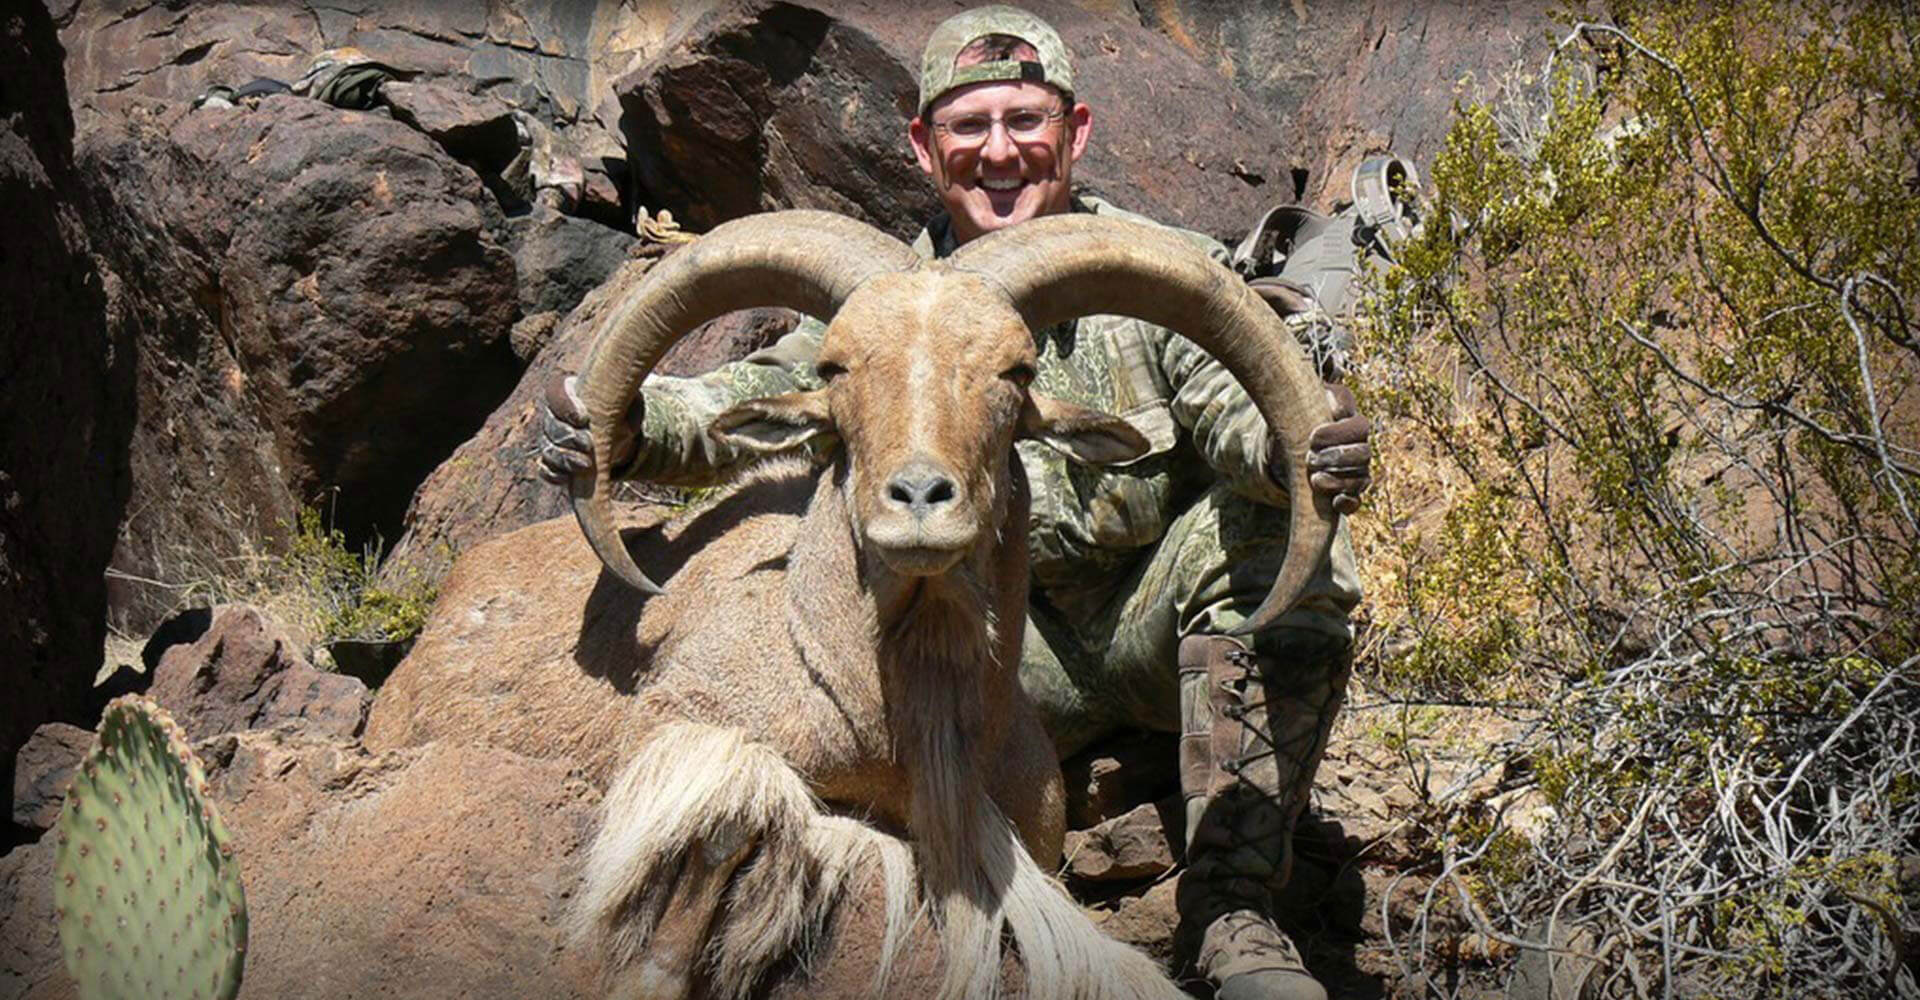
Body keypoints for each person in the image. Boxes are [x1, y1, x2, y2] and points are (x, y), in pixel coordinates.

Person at [539, 7, 1371, 998]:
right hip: (992, 661)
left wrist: (1306, 450)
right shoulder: (888, 301)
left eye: (1025, 119)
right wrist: (621, 420)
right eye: (969, 127)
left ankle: (1233, 916)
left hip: (1151, 631)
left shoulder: (1151, 268)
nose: (1001, 151)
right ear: (924, 147)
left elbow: (1248, 420)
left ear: (1076, 131)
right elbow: (743, 405)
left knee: (1287, 534)